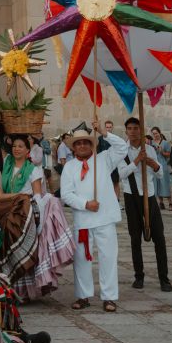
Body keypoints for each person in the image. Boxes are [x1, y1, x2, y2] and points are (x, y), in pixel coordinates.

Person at [60, 122, 128, 312]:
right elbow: (66, 193)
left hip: (105, 219)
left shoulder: (104, 159)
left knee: (108, 257)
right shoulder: (70, 167)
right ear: (73, 147)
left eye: (86, 142)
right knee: (81, 259)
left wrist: (105, 133)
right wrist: (85, 204)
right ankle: (83, 295)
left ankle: (109, 296)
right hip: (83, 220)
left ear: (92, 145)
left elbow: (122, 148)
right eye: (78, 143)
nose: (82, 146)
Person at [0, 135, 74, 299]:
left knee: (23, 250)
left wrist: (38, 222)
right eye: (15, 146)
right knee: (9, 249)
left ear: (27, 151)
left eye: (21, 146)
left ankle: (25, 291)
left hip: (24, 211)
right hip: (7, 209)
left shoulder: (33, 169)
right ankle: (10, 287)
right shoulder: (7, 165)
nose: (17, 149)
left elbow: (38, 195)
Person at [118, 116, 172, 292]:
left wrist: (153, 164)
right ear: (126, 131)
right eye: (130, 128)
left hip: (149, 196)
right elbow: (121, 175)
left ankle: (164, 278)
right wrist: (136, 161)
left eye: (136, 128)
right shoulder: (121, 151)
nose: (133, 131)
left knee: (159, 238)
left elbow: (159, 174)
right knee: (135, 238)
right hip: (131, 196)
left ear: (141, 130)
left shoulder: (149, 149)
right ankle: (138, 276)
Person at [150, 127, 172, 211]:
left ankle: (170, 203)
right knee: (157, 184)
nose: (155, 135)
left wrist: (162, 152)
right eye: (153, 133)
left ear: (159, 133)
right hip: (155, 165)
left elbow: (169, 154)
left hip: (163, 165)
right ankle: (161, 202)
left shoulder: (165, 143)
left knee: (165, 184)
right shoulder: (152, 143)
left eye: (156, 133)